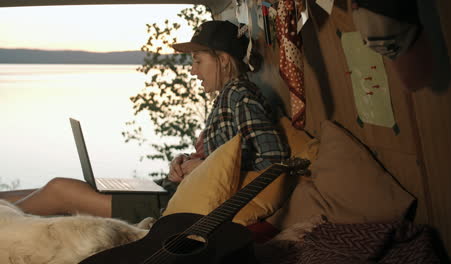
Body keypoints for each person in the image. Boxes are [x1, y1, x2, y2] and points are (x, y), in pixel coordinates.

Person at [1, 20, 289, 223]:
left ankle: (6, 228)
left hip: (174, 209)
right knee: (50, 190)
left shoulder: (241, 96)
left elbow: (275, 160)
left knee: (60, 190)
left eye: (198, 60)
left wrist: (203, 169)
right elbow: (225, 152)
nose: (192, 70)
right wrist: (187, 161)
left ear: (224, 60)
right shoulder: (227, 96)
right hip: (173, 193)